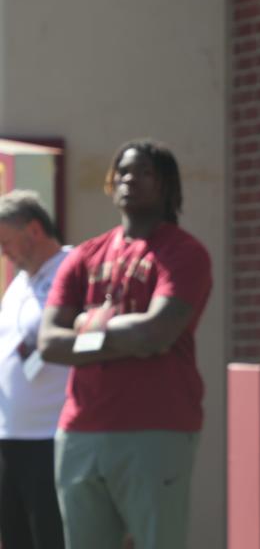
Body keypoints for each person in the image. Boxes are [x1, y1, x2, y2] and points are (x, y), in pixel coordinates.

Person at [37, 139, 212, 549]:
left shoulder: (184, 253)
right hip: (79, 432)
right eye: (123, 170)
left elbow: (157, 333)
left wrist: (84, 326)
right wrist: (124, 335)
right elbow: (48, 343)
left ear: (167, 185)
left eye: (143, 171)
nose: (129, 178)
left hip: (156, 427)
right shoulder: (84, 256)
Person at [0, 190, 70, 549]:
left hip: (51, 438)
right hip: (10, 440)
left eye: (6, 241)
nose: (3, 252)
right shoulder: (17, 284)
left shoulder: (73, 268)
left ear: (34, 230)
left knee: (51, 539)